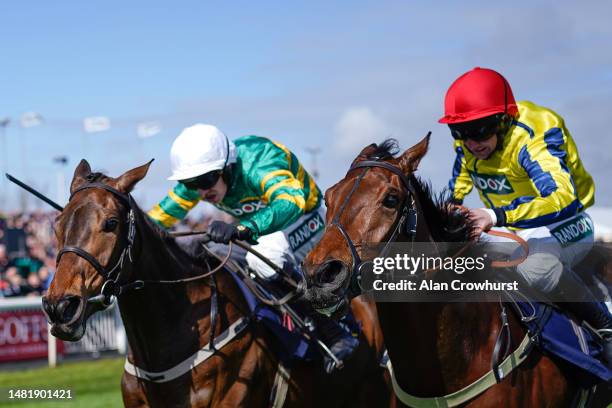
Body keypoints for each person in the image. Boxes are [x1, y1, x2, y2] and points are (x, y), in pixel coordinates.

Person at [148, 124, 358, 371]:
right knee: (210, 255)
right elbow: (157, 219)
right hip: (263, 228)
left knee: (263, 259)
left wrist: (244, 228)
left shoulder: (259, 161)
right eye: (191, 183)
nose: (201, 191)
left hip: (305, 216)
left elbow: (291, 201)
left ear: (227, 166)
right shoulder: (203, 178)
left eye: (205, 180)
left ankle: (333, 330)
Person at [440, 67, 612, 366]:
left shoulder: (535, 132)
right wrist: (451, 208)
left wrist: (496, 215)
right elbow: (460, 182)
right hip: (510, 226)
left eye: (480, 129)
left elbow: (562, 198)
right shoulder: (469, 142)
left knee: (536, 269)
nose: (470, 142)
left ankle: (605, 326)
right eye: (461, 132)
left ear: (503, 119)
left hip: (565, 219)